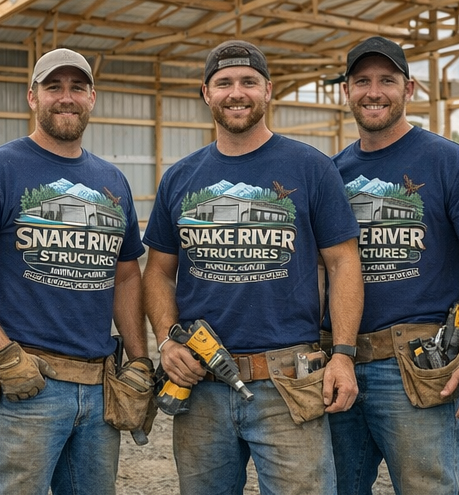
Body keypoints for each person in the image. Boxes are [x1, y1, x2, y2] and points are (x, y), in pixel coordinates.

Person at [143, 39, 364, 494]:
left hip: (287, 382)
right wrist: (166, 340)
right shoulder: (180, 177)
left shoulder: (310, 168)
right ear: (206, 93)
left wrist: (343, 353)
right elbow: (159, 272)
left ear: (268, 91)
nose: (235, 92)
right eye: (223, 83)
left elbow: (343, 264)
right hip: (200, 383)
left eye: (248, 81)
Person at [0, 47, 148, 495]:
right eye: (53, 87)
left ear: (92, 98)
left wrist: (141, 359)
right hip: (26, 387)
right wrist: (1, 353)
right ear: (32, 97)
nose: (65, 98)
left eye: (77, 88)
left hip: (98, 385)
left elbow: (126, 274)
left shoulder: (113, 182)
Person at [325, 36, 459, 494]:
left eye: (387, 80)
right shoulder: (333, 172)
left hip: (417, 367)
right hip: (343, 363)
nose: (374, 92)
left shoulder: (447, 160)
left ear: (409, 89)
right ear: (345, 91)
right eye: (362, 81)